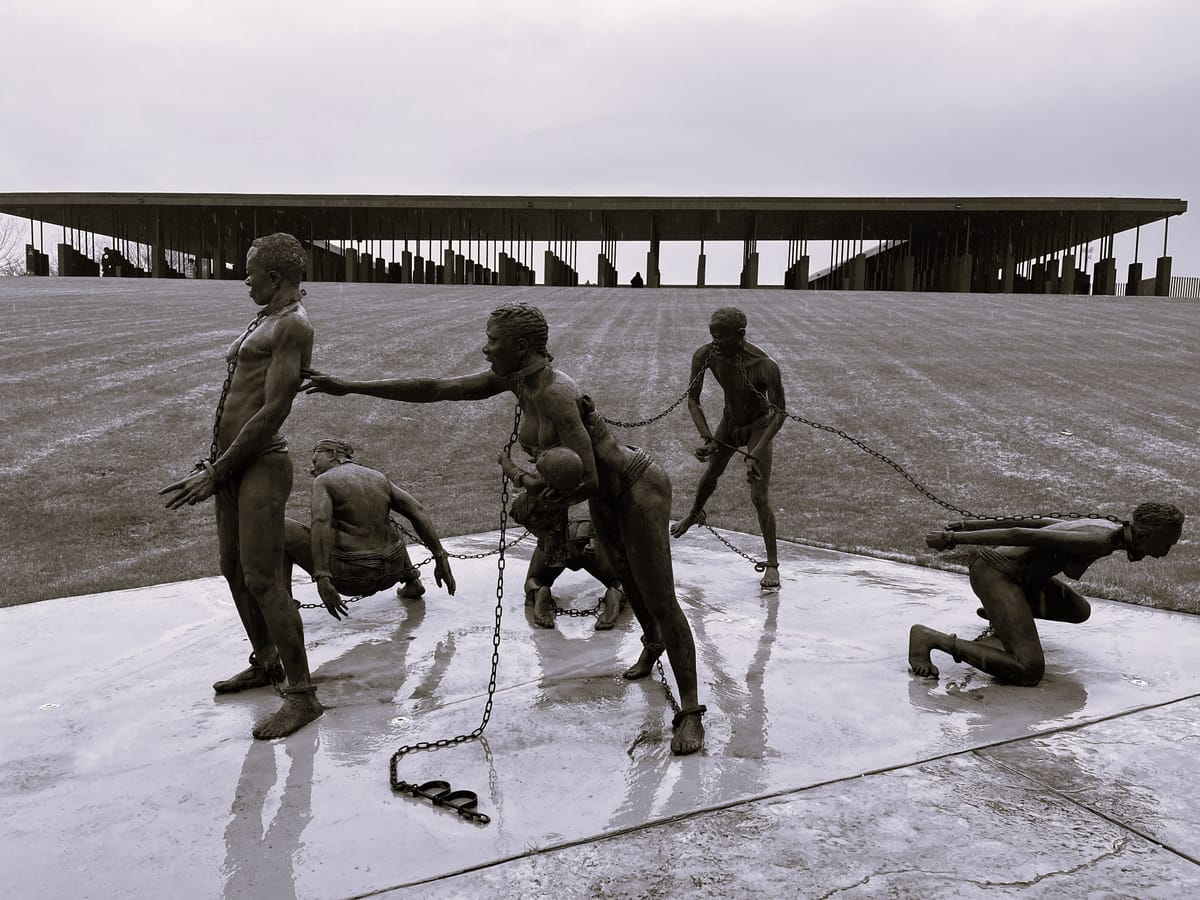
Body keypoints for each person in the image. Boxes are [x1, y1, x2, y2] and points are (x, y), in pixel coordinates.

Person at [304, 302, 706, 754]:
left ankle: (691, 712)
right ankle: (653, 644)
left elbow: (590, 478)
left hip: (635, 488)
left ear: (520, 347)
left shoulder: (557, 393)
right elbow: (439, 388)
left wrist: (530, 487)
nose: (485, 348)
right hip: (603, 496)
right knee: (628, 578)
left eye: (492, 340)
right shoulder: (516, 379)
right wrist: (349, 386)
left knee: (660, 596)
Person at [160, 232, 322, 740]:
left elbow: (274, 410)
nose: (244, 280)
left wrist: (218, 471)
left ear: (273, 277)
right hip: (232, 465)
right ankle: (266, 659)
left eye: (249, 273)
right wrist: (219, 466)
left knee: (264, 578)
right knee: (232, 568)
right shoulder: (266, 319)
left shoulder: (293, 325)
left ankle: (302, 695)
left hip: (260, 465)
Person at [910, 503, 1184, 685]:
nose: (1165, 553)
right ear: (1144, 535)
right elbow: (1019, 534)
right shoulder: (1099, 540)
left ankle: (1003, 616)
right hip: (996, 573)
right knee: (1028, 670)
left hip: (1019, 579)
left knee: (1078, 610)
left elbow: (1039, 523)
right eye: (1167, 544)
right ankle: (929, 639)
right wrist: (952, 539)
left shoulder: (1107, 528)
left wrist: (966, 525)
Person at [670, 307, 786, 589]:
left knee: (758, 495)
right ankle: (696, 512)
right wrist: (708, 438)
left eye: (722, 337)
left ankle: (772, 564)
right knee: (711, 474)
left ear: (741, 335)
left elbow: (780, 412)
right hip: (730, 422)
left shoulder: (764, 365)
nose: (715, 342)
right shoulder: (706, 355)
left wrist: (755, 452)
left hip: (759, 426)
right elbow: (693, 400)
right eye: (713, 335)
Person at [284, 439, 456, 620]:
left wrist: (323, 577)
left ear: (333, 455)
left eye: (315, 461)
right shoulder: (377, 476)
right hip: (393, 570)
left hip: (354, 577)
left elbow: (321, 522)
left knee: (282, 528)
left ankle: (284, 604)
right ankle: (412, 581)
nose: (313, 469)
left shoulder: (324, 481)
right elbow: (417, 511)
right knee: (384, 523)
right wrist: (440, 557)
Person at [498, 447, 625, 630]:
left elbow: (521, 498)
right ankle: (615, 595)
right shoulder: (589, 482)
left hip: (553, 544)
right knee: (621, 581)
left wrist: (505, 461)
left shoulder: (537, 490)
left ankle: (539, 592)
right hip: (588, 538)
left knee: (535, 579)